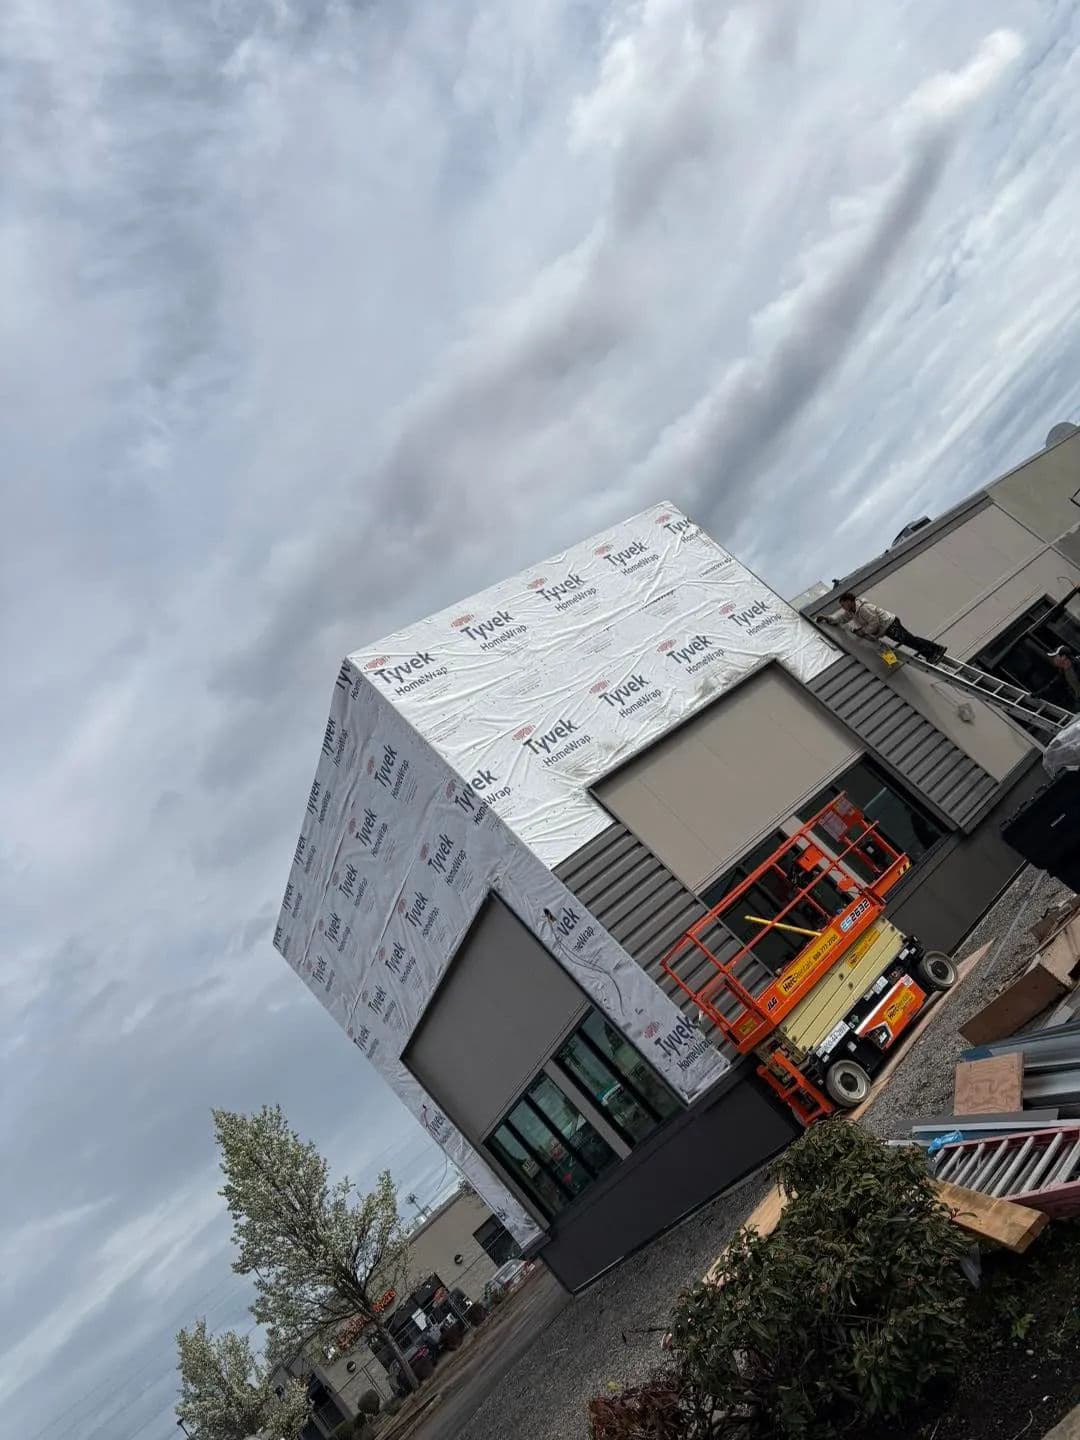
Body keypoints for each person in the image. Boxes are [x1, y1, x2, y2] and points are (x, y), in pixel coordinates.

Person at [823, 591, 947, 663]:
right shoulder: (852, 612)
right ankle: (934, 651)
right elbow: (842, 619)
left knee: (910, 640)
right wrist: (828, 619)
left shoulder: (863, 608)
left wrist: (864, 631)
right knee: (910, 640)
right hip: (888, 627)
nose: (843, 607)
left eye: (843, 604)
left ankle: (933, 652)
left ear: (849, 601)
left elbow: (874, 622)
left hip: (890, 624)